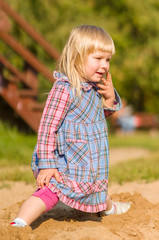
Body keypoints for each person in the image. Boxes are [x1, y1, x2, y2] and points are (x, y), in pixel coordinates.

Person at [11, 25, 131, 227]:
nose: (104, 65)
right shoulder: (64, 89)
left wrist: (109, 97)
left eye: (108, 59)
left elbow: (98, 118)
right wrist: (47, 163)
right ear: (77, 57)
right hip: (68, 162)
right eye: (98, 58)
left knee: (96, 190)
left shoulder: (94, 89)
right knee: (49, 193)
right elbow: (47, 127)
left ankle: (108, 208)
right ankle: (20, 224)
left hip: (89, 162)